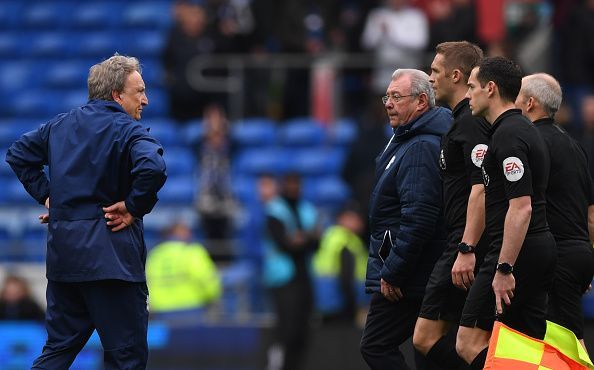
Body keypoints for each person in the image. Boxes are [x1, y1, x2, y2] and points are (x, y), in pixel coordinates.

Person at [5, 54, 167, 369]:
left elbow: (18, 154)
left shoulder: (59, 125)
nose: (145, 100)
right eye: (139, 92)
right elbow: (154, 167)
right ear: (118, 95)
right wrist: (133, 207)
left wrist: (49, 196)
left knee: (56, 353)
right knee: (127, 359)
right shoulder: (128, 130)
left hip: (65, 261)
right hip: (113, 264)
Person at [456, 57, 556, 369]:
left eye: (471, 87)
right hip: (535, 248)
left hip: (516, 254)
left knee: (469, 341)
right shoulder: (519, 129)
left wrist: (504, 269)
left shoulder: (510, 135)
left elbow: (521, 207)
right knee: (523, 346)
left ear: (490, 88)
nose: (468, 94)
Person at [359, 68, 451, 369]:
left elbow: (420, 216)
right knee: (423, 349)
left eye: (396, 97)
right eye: (387, 96)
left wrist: (394, 270)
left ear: (422, 101)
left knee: (376, 345)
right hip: (416, 271)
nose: (388, 103)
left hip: (409, 274)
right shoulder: (408, 138)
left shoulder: (421, 146)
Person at [412, 41, 489, 370]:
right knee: (463, 342)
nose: (430, 78)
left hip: (467, 244)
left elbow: (482, 187)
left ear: (455, 75)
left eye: (435, 71)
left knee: (426, 338)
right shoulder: (459, 122)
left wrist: (467, 246)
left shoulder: (471, 125)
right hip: (460, 242)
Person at [515, 73, 594, 347]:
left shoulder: (531, 142)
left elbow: (522, 206)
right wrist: (583, 259)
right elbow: (591, 213)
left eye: (517, 95)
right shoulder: (575, 145)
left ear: (530, 103)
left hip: (556, 257)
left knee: (569, 347)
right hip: (578, 253)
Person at [262, 173, 320, 370]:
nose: (294, 188)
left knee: (303, 332)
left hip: (304, 276)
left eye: (297, 184)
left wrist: (299, 239)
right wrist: (304, 239)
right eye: (290, 184)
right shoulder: (274, 210)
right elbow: (284, 243)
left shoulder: (307, 209)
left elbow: (317, 241)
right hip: (283, 278)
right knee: (287, 329)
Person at [146, 222, 221, 315]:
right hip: (191, 309)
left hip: (160, 311)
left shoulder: (154, 255)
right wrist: (212, 297)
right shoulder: (192, 252)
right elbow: (207, 281)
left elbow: (147, 283)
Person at [312, 207, 368, 323]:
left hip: (325, 301)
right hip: (340, 302)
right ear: (342, 219)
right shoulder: (345, 240)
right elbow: (347, 276)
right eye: (354, 218)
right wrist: (352, 306)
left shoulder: (331, 236)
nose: (360, 222)